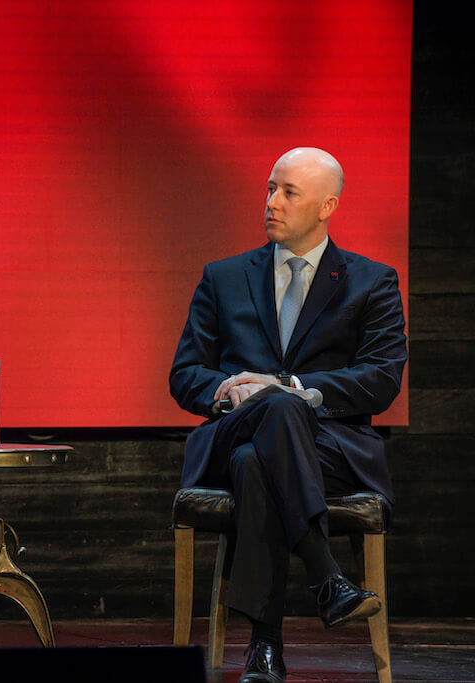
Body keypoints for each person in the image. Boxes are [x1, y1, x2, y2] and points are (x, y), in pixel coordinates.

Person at [169, 147, 407, 683]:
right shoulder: (223, 277)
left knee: (261, 457)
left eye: (287, 192)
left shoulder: (372, 282)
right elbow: (185, 375)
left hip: (329, 450)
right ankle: (326, 577)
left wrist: (291, 388)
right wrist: (229, 391)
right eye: (269, 189)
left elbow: (382, 378)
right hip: (232, 434)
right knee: (266, 420)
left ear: (327, 206)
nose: (271, 202)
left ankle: (265, 645)